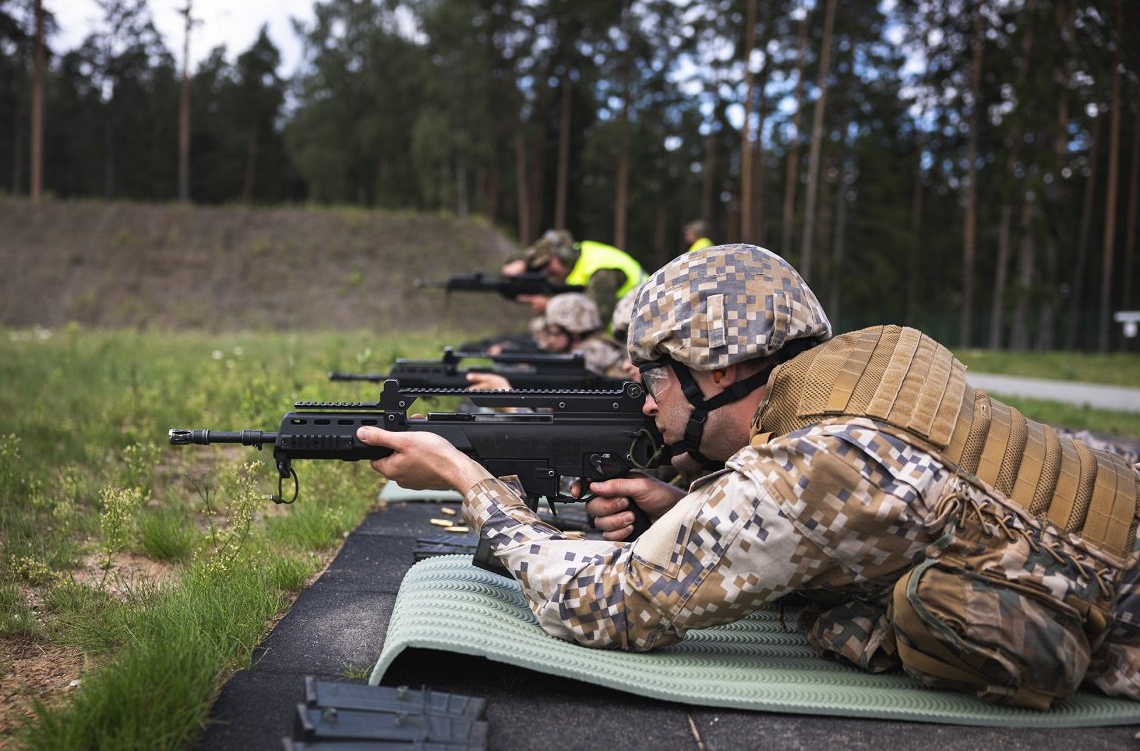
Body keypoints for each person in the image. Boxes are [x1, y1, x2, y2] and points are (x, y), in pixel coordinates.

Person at [356, 244, 1140, 710]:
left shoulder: (815, 463)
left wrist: (463, 475)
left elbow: (607, 604)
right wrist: (688, 501)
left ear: (723, 369)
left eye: (656, 374)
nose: (643, 396)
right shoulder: (858, 378)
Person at [465, 293, 625, 390]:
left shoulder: (595, 351)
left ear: (574, 332)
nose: (550, 338)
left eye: (554, 331)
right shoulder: (588, 348)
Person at [502, 230, 646, 330]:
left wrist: (551, 305)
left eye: (547, 264)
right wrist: (523, 262)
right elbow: (537, 252)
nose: (545, 271)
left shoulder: (601, 272)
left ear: (564, 256)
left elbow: (596, 320)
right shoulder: (576, 260)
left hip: (641, 329)